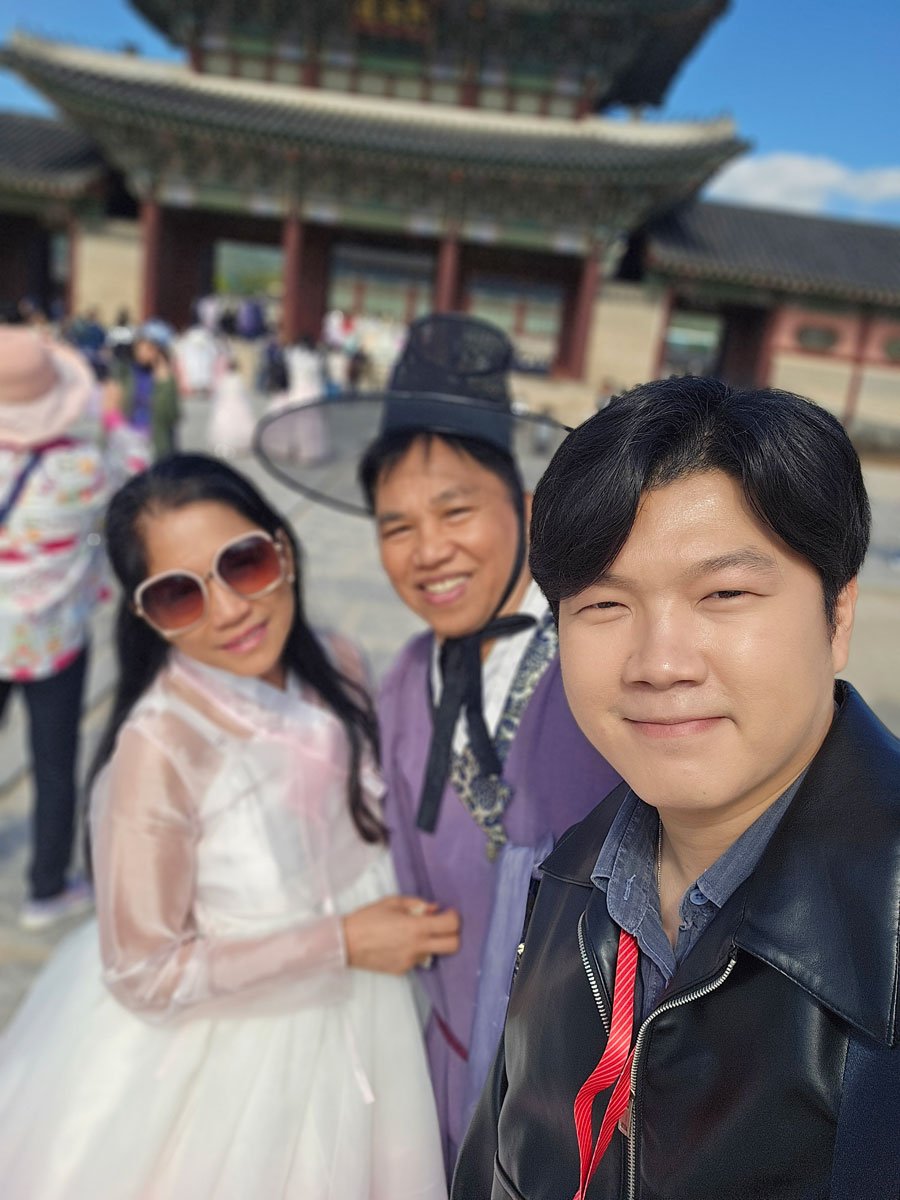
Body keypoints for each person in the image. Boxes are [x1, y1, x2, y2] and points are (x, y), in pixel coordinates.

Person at [453, 376, 900, 1200]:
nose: (659, 663)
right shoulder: (569, 878)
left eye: (724, 594)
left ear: (837, 617)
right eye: (604, 604)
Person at [0, 454, 455, 1199]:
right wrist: (341, 942)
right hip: (241, 1041)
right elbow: (144, 970)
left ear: (282, 550)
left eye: (242, 563)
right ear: (145, 615)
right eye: (180, 595)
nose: (230, 610)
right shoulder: (160, 748)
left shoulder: (335, 660)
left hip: (379, 1000)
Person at [255, 314, 620, 1170]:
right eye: (395, 527)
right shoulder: (402, 678)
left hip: (588, 1108)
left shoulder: (603, 653)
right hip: (443, 1077)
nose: (428, 551)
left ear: (525, 509)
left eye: (455, 510)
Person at [0, 327, 146, 930]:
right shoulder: (85, 467)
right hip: (53, 639)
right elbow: (140, 472)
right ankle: (46, 887)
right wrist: (114, 420)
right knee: (55, 764)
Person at [109, 323, 181, 458]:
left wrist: (163, 378)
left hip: (156, 443)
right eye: (138, 346)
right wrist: (121, 431)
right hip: (127, 442)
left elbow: (171, 415)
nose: (141, 351)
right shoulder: (125, 371)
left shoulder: (166, 378)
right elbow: (111, 406)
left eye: (148, 347)